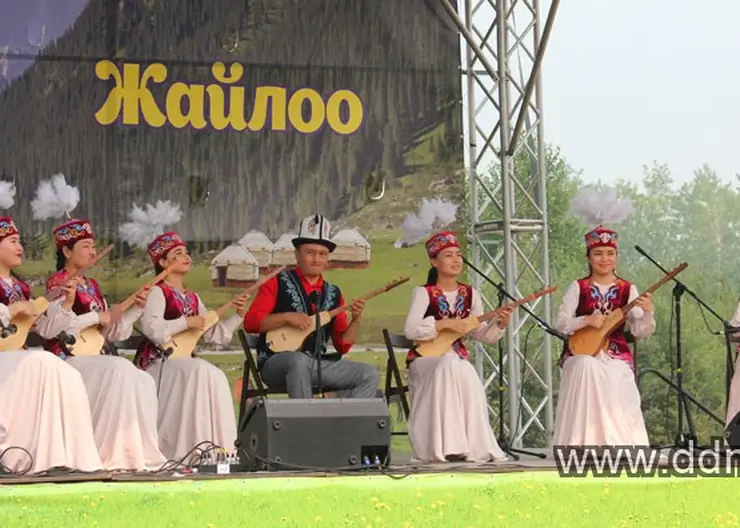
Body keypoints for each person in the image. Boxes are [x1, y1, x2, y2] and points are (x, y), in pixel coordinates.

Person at [43, 218, 166, 471]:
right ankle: (110, 454)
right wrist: (97, 316)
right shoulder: (59, 283)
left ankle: (138, 455)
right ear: (66, 251)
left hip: (94, 357)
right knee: (117, 369)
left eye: (93, 246)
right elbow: (60, 328)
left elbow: (111, 332)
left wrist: (135, 310)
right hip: (67, 359)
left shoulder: (94, 286)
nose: (93, 252)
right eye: (86, 246)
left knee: (142, 380)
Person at [0, 212, 102, 475]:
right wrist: (13, 310)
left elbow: (45, 329)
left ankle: (60, 456)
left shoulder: (21, 287)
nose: (20, 246)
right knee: (46, 362)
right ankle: (20, 456)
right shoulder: (18, 295)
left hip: (16, 358)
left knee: (66, 374)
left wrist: (65, 304)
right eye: (12, 241)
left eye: (19, 240)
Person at [135, 231, 244, 461]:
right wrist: (186, 322)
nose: (186, 256)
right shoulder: (157, 290)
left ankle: (220, 452)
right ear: (163, 262)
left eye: (186, 252)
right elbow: (152, 328)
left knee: (215, 376)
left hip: (184, 364)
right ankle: (188, 451)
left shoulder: (193, 298)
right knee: (199, 370)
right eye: (177, 253)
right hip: (159, 363)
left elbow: (213, 334)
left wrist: (238, 316)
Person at [243, 213, 380, 398]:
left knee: (368, 374)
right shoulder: (276, 283)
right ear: (297, 254)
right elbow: (250, 322)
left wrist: (356, 320)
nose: (316, 259)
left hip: (317, 364)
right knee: (299, 361)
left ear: (327, 259)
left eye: (322, 254)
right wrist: (286, 317)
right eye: (310, 252)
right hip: (275, 363)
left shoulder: (334, 293)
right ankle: (303, 424)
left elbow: (343, 346)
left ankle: (345, 425)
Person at [403, 230, 511, 463]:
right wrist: (442, 324)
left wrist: (500, 324)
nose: (456, 260)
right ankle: (445, 446)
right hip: (424, 361)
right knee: (449, 365)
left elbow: (483, 335)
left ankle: (470, 446)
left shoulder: (471, 294)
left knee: (462, 369)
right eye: (448, 255)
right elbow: (411, 330)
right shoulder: (424, 293)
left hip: (455, 360)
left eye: (459, 255)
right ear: (434, 261)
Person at [553, 222, 656, 447]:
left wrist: (647, 312)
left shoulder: (628, 289)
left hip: (616, 354)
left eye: (610, 253)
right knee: (585, 366)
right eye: (598, 253)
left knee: (617, 372)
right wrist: (586, 320)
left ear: (616, 256)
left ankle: (618, 442)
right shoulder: (578, 287)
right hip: (581, 352)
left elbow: (640, 330)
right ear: (589, 257)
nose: (604, 258)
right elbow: (560, 323)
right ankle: (581, 442)